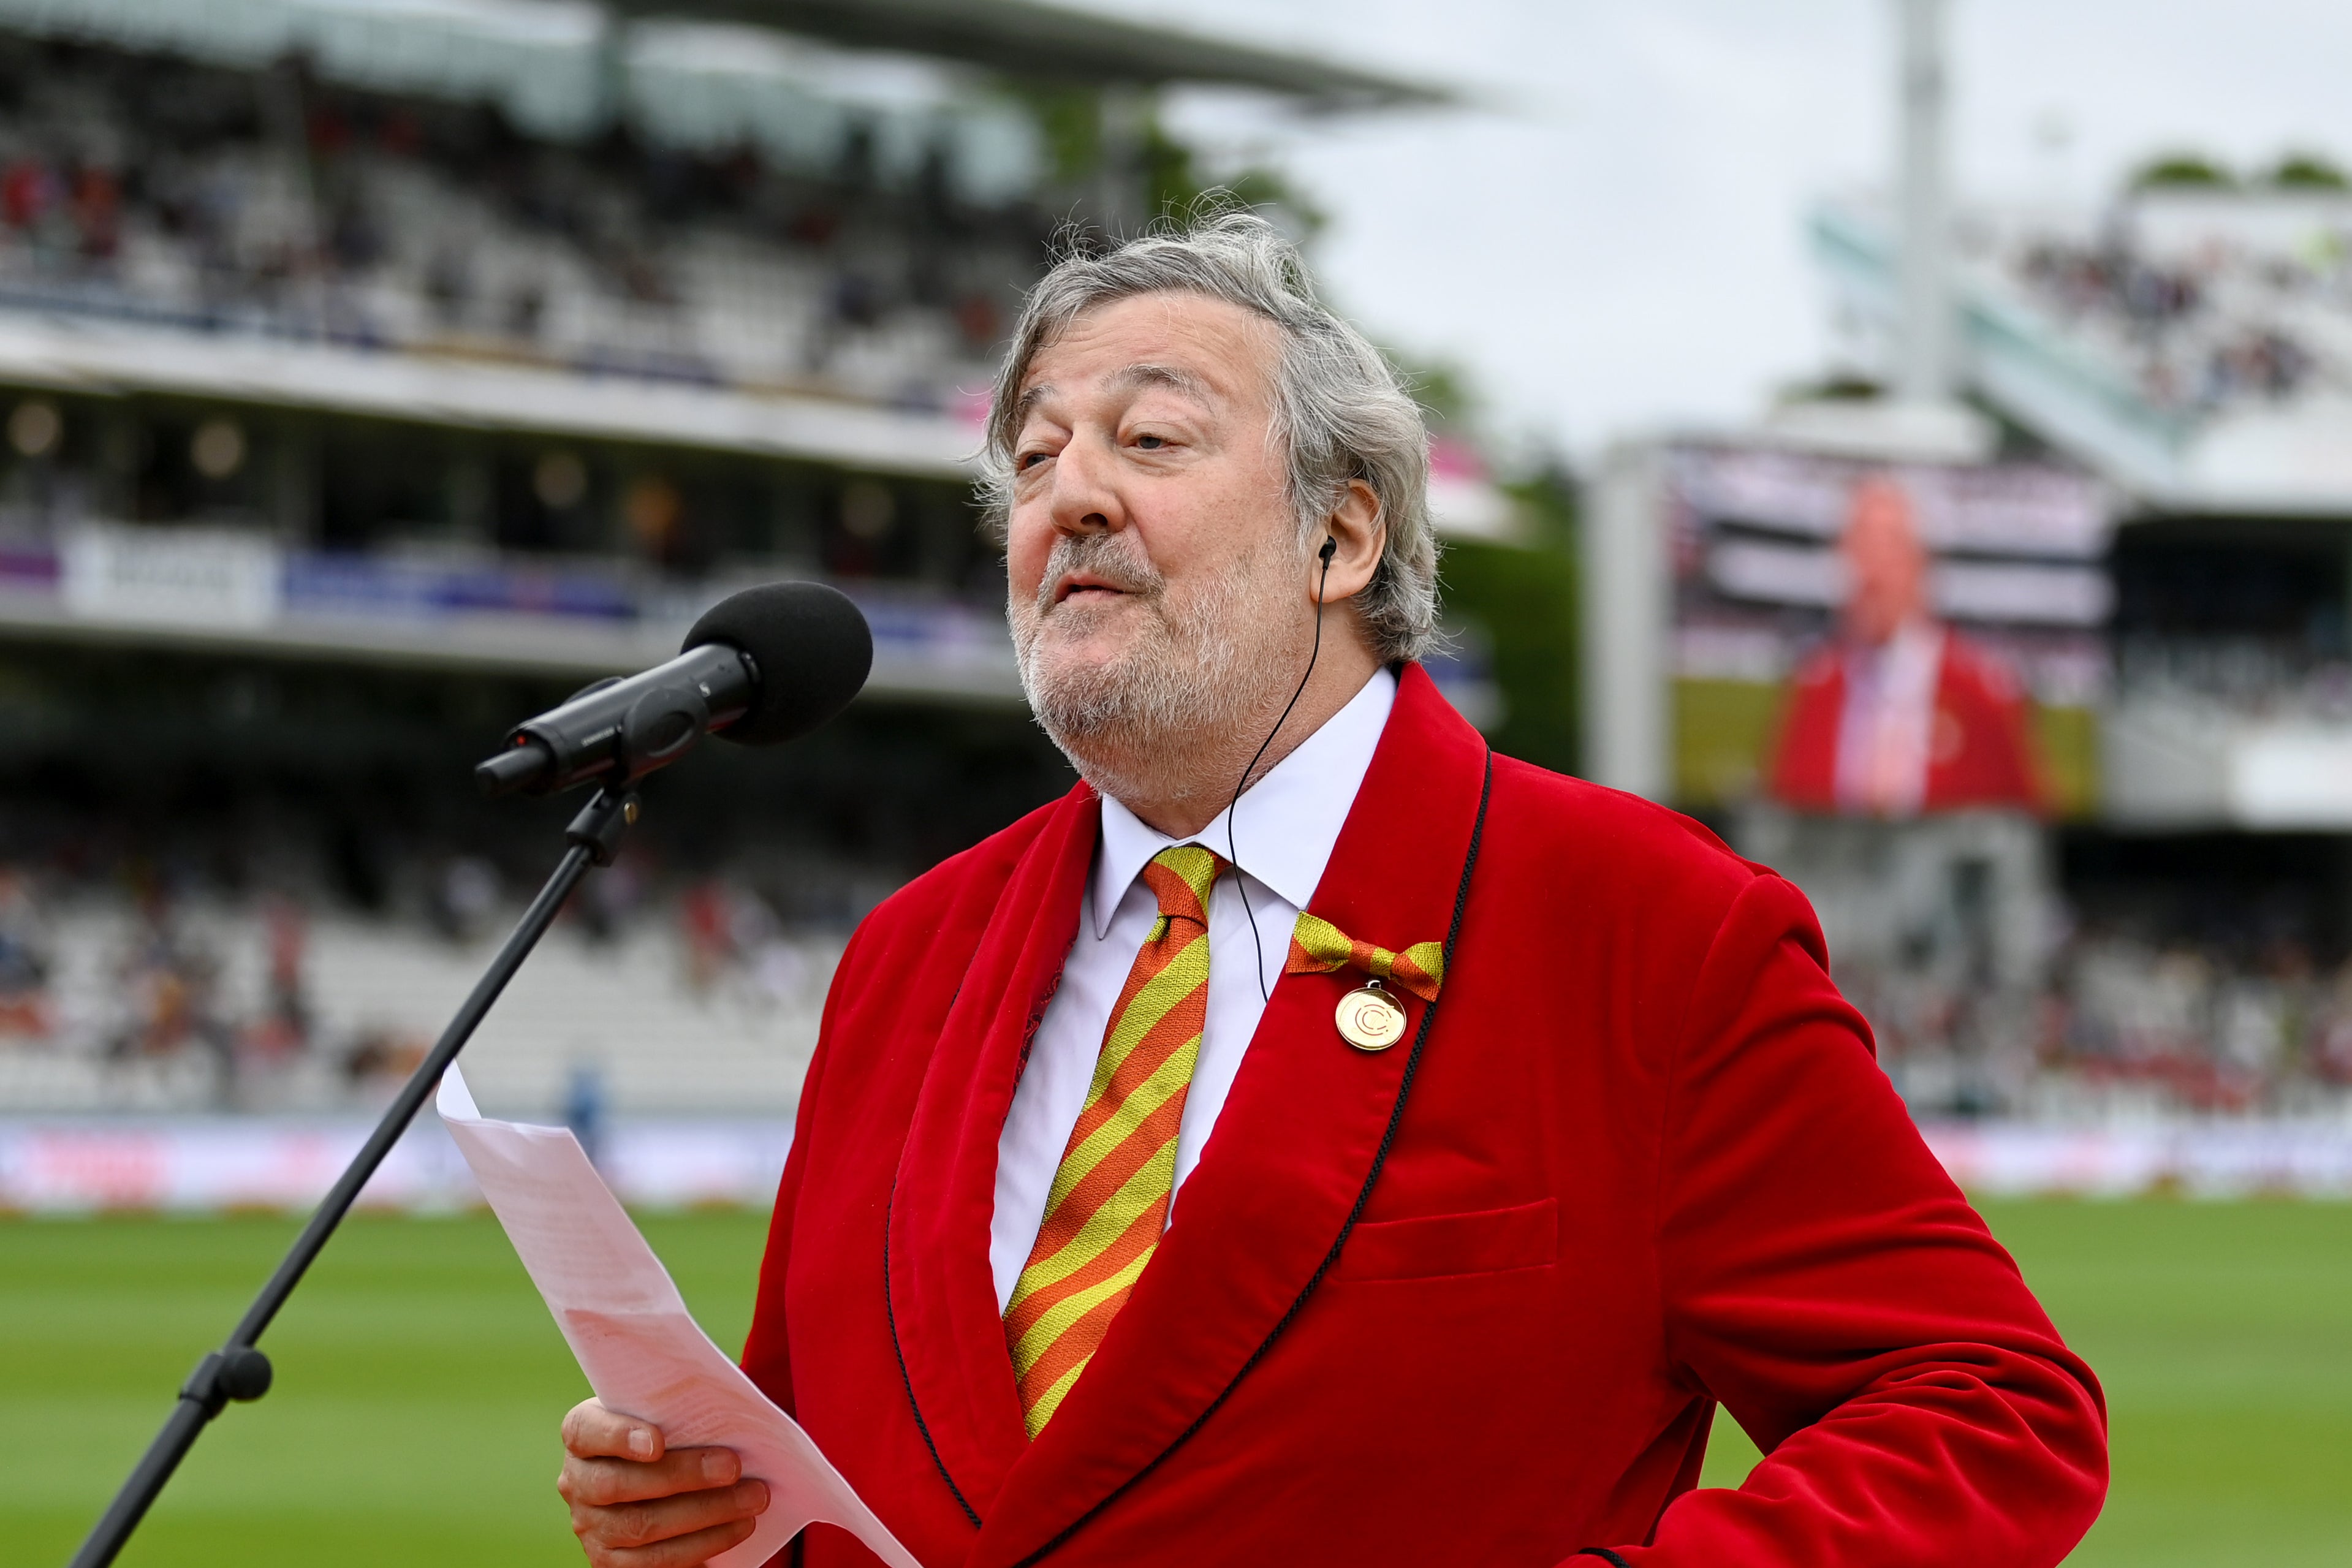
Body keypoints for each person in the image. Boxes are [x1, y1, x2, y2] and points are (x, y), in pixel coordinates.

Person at [556, 213, 2106, 1568]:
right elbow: (838, 1460)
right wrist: (702, 1514)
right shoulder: (908, 954)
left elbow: (1990, 1412)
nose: (1067, 495)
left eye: (1148, 440)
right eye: (1031, 458)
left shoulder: (1646, 926)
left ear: (1341, 535)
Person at [1767, 475, 2046, 817]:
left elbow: (2027, 824)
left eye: (1889, 545)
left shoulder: (1980, 691)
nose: (1871, 568)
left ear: (1921, 562)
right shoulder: (1816, 687)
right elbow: (1781, 812)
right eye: (1858, 546)